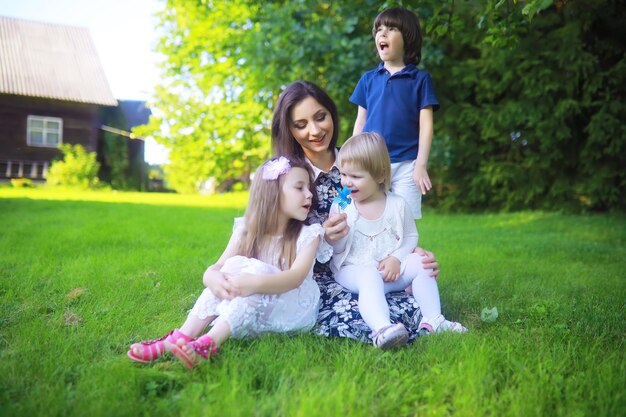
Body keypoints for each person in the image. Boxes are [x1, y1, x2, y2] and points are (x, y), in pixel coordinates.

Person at [269, 80, 440, 343]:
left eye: (320, 117)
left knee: (411, 304)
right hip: (319, 274)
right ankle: (383, 325)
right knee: (350, 316)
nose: (314, 131)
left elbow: (388, 215)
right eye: (301, 125)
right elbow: (273, 237)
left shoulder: (357, 160)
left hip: (375, 265)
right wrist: (322, 236)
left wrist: (411, 253)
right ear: (288, 129)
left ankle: (423, 317)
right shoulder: (288, 176)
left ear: (332, 115)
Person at [127, 156, 332, 368]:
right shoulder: (247, 230)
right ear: (273, 193)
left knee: (252, 270)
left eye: (309, 188)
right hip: (251, 298)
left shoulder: (309, 235)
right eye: (300, 187)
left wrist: (254, 283)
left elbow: (295, 278)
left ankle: (209, 343)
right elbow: (218, 266)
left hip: (292, 307)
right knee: (231, 268)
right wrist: (212, 277)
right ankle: (182, 336)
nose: (309, 194)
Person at [330, 132, 466, 349]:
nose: (347, 182)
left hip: (389, 269)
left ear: (380, 176)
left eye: (355, 177)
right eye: (343, 174)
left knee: (421, 263)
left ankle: (433, 319)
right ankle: (382, 329)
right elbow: (335, 249)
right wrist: (339, 234)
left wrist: (396, 258)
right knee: (369, 276)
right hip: (353, 269)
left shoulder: (397, 204)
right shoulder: (342, 204)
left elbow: (411, 236)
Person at [350, 7, 439, 220]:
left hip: (407, 165)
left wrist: (421, 165)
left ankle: (404, 255)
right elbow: (360, 122)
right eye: (379, 30)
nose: (382, 33)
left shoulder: (420, 80)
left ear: (407, 38)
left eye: (390, 29)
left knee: (404, 220)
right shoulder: (368, 79)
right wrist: (352, 160)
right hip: (371, 163)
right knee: (367, 216)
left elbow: (426, 126)